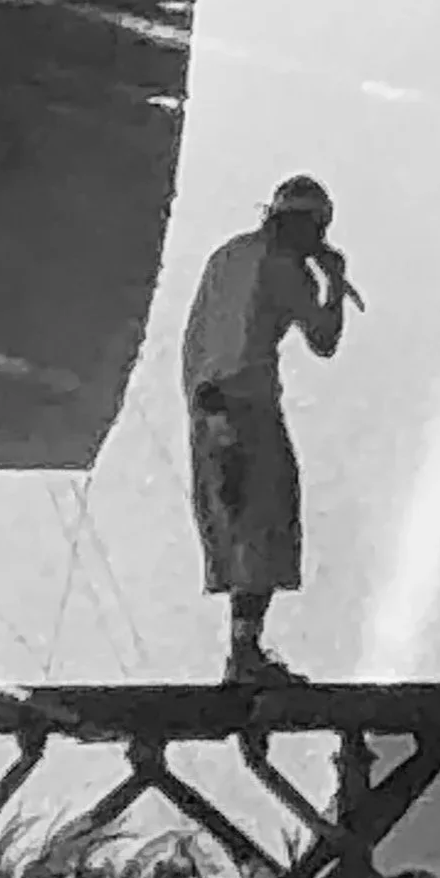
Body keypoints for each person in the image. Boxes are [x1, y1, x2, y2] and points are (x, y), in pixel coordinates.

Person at [180, 179, 355, 686]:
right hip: (244, 405)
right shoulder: (284, 267)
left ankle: (243, 651)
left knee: (237, 528)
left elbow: (201, 334)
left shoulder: (229, 255)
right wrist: (335, 283)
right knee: (266, 522)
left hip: (204, 401)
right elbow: (324, 340)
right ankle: (245, 657)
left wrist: (205, 407)